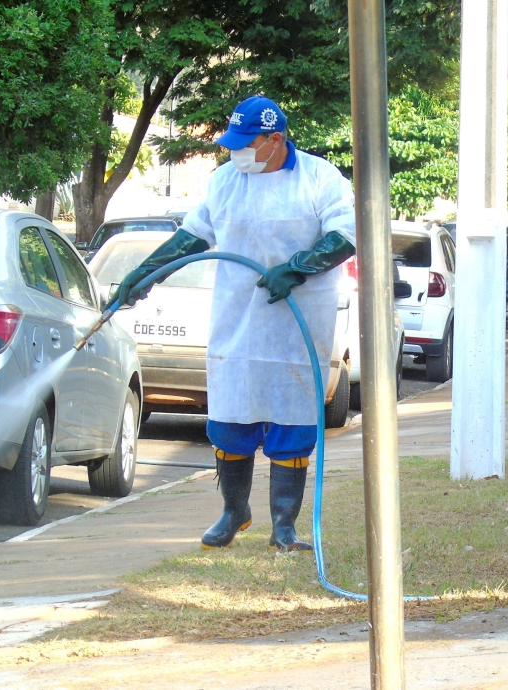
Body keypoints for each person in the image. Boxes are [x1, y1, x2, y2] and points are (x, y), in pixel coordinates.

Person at [116, 96, 356, 550]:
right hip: (237, 320)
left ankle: (284, 526)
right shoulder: (226, 181)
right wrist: (145, 273)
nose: (236, 153)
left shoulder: (319, 178)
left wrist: (297, 267)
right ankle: (234, 510)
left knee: (292, 422)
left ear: (275, 140)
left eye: (247, 144)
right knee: (229, 417)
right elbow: (191, 236)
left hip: (298, 321)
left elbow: (346, 235)